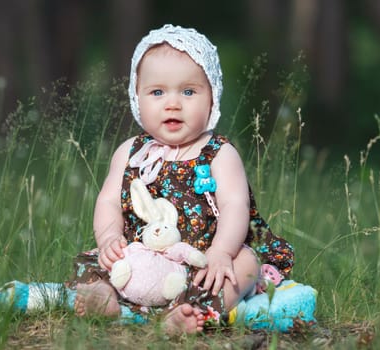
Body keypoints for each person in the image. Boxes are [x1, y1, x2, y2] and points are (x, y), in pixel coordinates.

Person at [66, 24, 294, 334]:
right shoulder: (130, 152)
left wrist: (221, 251)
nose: (172, 103)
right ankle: (104, 297)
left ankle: (192, 311)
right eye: (157, 92)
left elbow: (234, 205)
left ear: (212, 97)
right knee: (94, 261)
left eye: (188, 91)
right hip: (138, 262)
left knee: (246, 266)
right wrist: (109, 240)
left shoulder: (218, 153)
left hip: (200, 264)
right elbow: (108, 201)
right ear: (137, 97)